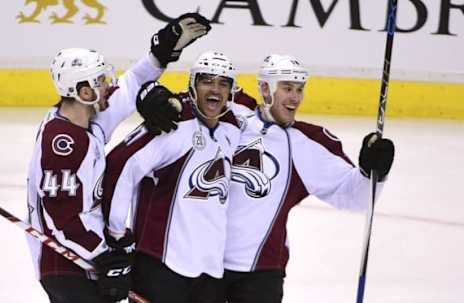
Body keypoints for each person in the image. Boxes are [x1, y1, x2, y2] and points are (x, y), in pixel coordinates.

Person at [138, 54, 395, 303]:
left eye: (299, 89)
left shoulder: (307, 143)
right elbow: (195, 97)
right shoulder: (232, 114)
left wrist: (372, 171)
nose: (294, 97)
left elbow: (355, 197)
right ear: (265, 88)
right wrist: (155, 99)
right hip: (204, 266)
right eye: (287, 88)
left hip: (260, 274)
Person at [25, 13, 211, 303]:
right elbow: (61, 218)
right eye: (100, 81)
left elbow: (131, 83)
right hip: (66, 266)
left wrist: (160, 53)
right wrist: (105, 254)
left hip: (87, 259)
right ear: (84, 92)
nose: (108, 85)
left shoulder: (87, 120)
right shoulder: (62, 143)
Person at [100, 51, 244, 303]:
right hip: (160, 265)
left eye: (223, 83)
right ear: (192, 85)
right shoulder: (171, 122)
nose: (215, 89)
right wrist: (116, 236)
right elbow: (120, 164)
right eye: (206, 81)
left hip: (210, 271)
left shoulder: (232, 128)